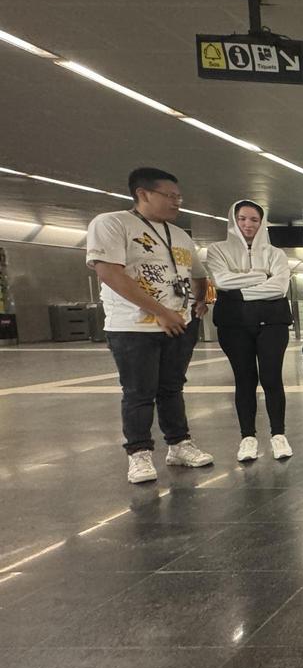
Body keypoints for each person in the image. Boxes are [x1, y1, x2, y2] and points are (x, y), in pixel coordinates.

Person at [85, 167, 213, 483]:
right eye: (170, 196)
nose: (177, 202)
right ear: (143, 193)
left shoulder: (180, 234)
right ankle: (139, 453)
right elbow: (109, 273)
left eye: (179, 197)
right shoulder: (112, 224)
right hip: (133, 328)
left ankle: (179, 444)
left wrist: (200, 301)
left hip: (179, 324)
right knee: (139, 392)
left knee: (172, 388)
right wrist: (160, 312)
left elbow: (198, 274)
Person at [205, 200, 294, 462]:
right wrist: (261, 277)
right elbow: (221, 281)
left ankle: (278, 434)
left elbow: (279, 288)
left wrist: (238, 293)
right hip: (234, 325)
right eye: (242, 218)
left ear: (261, 222)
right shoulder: (217, 250)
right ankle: (248, 437)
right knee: (244, 379)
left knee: (271, 377)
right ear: (234, 220)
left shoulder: (275, 253)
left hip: (273, 323)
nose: (248, 224)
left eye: (254, 219)